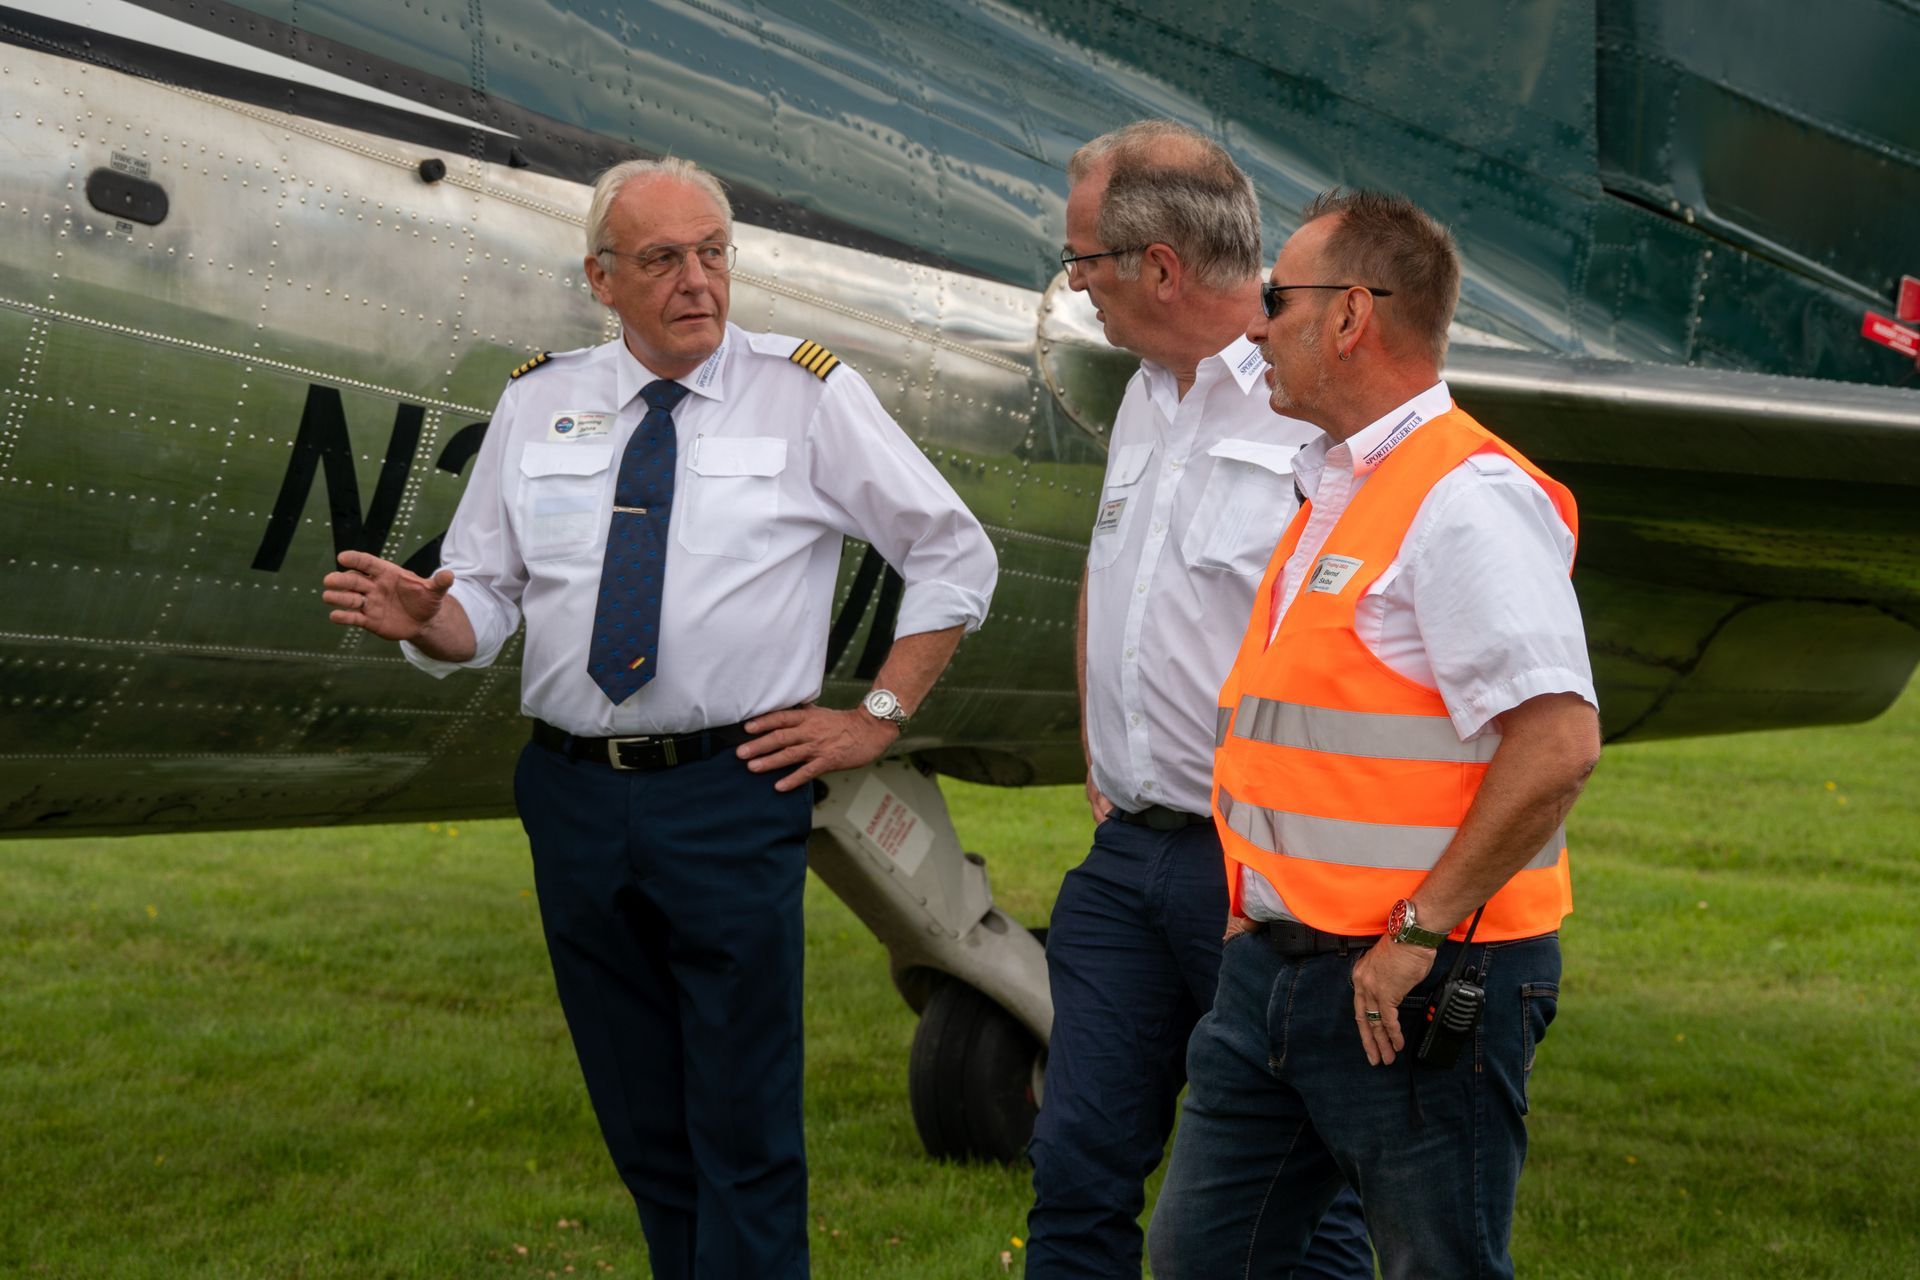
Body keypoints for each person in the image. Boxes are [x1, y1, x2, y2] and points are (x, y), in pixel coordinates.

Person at [320, 157, 997, 1279]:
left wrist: (878, 714)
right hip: (573, 797)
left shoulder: (805, 393)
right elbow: (484, 596)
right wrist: (429, 622)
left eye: (713, 253)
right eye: (663, 259)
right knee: (641, 1121)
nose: (698, 280)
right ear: (602, 279)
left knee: (744, 1124)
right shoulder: (538, 400)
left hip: (730, 790)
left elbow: (951, 552)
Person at [1146, 189, 1602, 1279]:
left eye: (1276, 299)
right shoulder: (1339, 487)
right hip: (1276, 966)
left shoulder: (1465, 496)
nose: (1255, 325)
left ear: (1350, 316)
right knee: (1201, 1259)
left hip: (1417, 979)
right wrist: (1257, 912)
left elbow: (1558, 744)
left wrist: (1417, 935)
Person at [1025, 120, 1369, 1279]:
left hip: (1260, 872)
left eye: (1084, 261)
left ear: (1160, 267)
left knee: (1295, 1199)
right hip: (1129, 853)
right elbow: (1116, 564)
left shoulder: (1319, 398)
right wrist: (1104, 749)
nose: (1076, 286)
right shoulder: (1144, 391)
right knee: (1074, 1165)